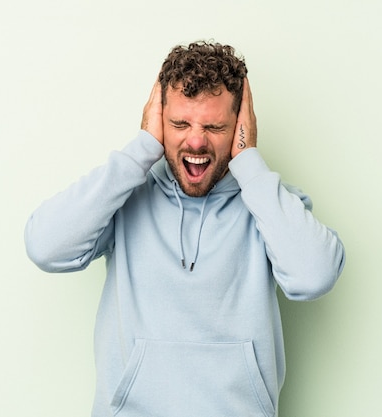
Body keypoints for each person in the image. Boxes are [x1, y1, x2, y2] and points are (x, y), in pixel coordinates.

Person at [24, 40, 345, 417]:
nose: (195, 140)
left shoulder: (269, 204)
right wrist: (141, 149)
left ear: (241, 126)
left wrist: (250, 162)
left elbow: (315, 276)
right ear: (158, 119)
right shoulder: (124, 197)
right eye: (179, 123)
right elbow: (46, 247)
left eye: (214, 126)